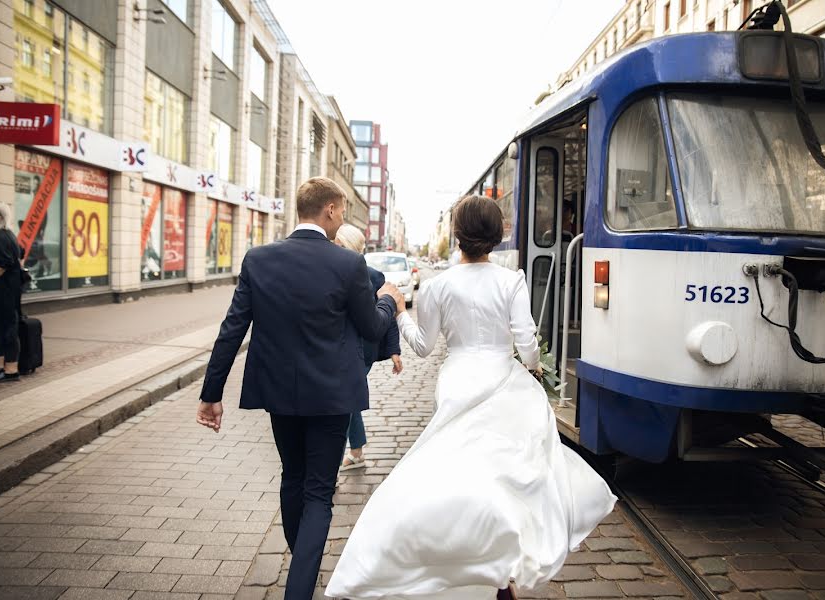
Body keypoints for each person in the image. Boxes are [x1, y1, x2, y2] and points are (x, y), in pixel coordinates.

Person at [326, 195, 617, 600]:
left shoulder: (438, 285)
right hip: (502, 378)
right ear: (497, 237)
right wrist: (532, 367)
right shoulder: (511, 279)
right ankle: (502, 565)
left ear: (458, 237)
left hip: (459, 380)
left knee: (459, 469)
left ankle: (464, 556)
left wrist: (400, 314)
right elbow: (527, 342)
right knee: (509, 470)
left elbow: (425, 347)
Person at [196, 177, 399, 600]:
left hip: (279, 393)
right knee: (318, 492)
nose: (341, 217)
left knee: (293, 477)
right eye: (342, 210)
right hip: (330, 397)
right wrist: (389, 301)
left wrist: (210, 393)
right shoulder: (348, 265)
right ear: (328, 210)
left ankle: (301, 561)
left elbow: (232, 329)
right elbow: (372, 327)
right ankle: (300, 585)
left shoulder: (259, 259)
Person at [334, 224, 403, 470]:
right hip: (342, 348)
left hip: (363, 351)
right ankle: (356, 451)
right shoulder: (334, 268)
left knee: (343, 401)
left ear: (348, 245)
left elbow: (389, 310)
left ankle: (342, 456)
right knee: (347, 400)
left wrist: (394, 349)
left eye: (338, 243)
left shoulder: (373, 276)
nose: (333, 246)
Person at [0, 201, 23, 382]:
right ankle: (1, 367)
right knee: (5, 327)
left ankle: (5, 370)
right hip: (10, 290)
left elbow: (1, 264)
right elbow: (20, 254)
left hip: (0, 291)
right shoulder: (9, 234)